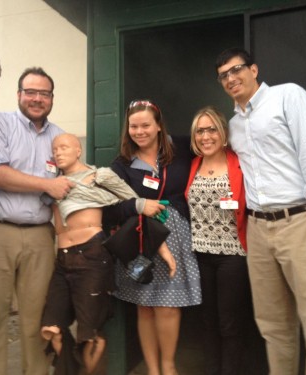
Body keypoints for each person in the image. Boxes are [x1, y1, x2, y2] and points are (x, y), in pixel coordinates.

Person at [215, 47, 306, 374]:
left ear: (254, 69)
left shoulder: (288, 97)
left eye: (236, 69)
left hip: (301, 222)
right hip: (258, 230)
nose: (231, 78)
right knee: (273, 326)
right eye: (223, 75)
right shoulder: (233, 125)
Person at [40, 133, 176, 374]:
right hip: (62, 258)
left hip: (92, 255)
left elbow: (137, 204)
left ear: (78, 150)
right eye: (54, 149)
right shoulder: (52, 184)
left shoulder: (99, 176)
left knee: (90, 335)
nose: (58, 152)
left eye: (64, 147)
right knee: (52, 328)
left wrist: (162, 249)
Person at [0, 67, 75, 375]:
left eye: (43, 93)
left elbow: (70, 183)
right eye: (30, 92)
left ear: (52, 99)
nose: (36, 99)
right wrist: (45, 185)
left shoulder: (59, 137)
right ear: (19, 95)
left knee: (37, 319)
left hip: (40, 237)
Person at [104, 99, 201, 375]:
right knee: (145, 306)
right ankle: (153, 369)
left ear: (158, 126)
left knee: (168, 306)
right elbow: (110, 209)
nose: (140, 131)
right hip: (142, 238)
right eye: (134, 126)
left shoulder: (181, 148)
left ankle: (168, 367)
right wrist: (138, 205)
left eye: (146, 125)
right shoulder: (121, 165)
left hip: (177, 235)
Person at [184, 106, 251, 375]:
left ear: (223, 132)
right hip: (200, 254)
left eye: (212, 129)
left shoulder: (239, 162)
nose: (206, 136)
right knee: (207, 322)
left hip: (232, 256)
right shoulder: (193, 165)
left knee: (229, 323)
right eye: (200, 131)